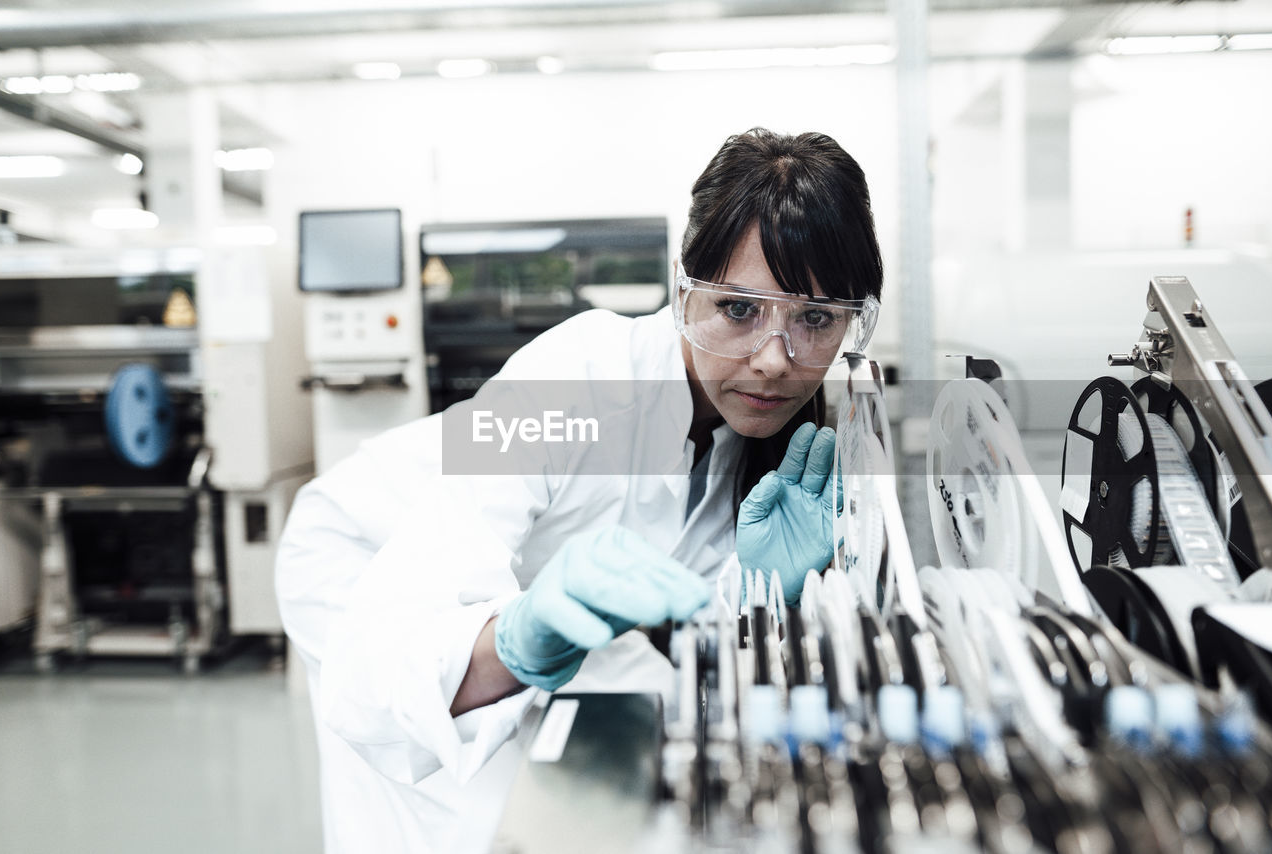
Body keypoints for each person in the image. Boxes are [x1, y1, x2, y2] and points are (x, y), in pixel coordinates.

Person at [276, 127, 884, 853]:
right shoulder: (572, 380)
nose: (775, 362)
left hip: (517, 587)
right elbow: (386, 650)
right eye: (739, 310)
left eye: (815, 319)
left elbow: (679, 604)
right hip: (363, 561)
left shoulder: (770, 448)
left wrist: (750, 598)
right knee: (460, 814)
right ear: (685, 296)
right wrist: (516, 640)